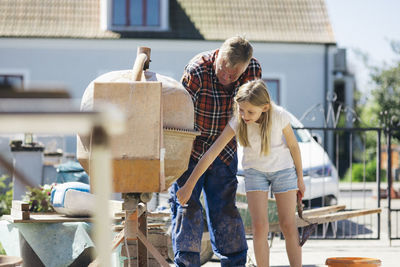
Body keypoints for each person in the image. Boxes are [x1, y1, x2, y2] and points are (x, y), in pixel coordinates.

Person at [177, 79, 306, 267]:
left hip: (283, 171)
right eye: (241, 110)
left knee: (288, 225)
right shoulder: (239, 121)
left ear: (265, 107)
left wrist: (300, 178)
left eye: (250, 112)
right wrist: (189, 185)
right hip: (255, 173)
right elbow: (212, 152)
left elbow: (294, 146)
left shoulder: (279, 116)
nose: (245, 115)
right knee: (259, 227)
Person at [169, 36, 262, 267]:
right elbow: (179, 115)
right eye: (224, 70)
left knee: (225, 210)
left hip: (225, 149)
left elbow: (247, 115)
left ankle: (234, 263)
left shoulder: (252, 69)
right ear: (218, 55)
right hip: (191, 149)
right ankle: (187, 263)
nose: (227, 78)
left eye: (234, 75)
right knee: (186, 208)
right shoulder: (197, 71)